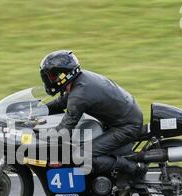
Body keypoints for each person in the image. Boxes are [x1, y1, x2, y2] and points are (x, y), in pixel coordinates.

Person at [39, 49, 147, 177]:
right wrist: (37, 111)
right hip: (122, 118)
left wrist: (39, 138)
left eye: (51, 76)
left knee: (81, 156)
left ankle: (134, 169)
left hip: (126, 126)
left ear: (63, 74)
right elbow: (61, 102)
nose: (49, 79)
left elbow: (65, 129)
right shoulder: (80, 80)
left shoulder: (80, 94)